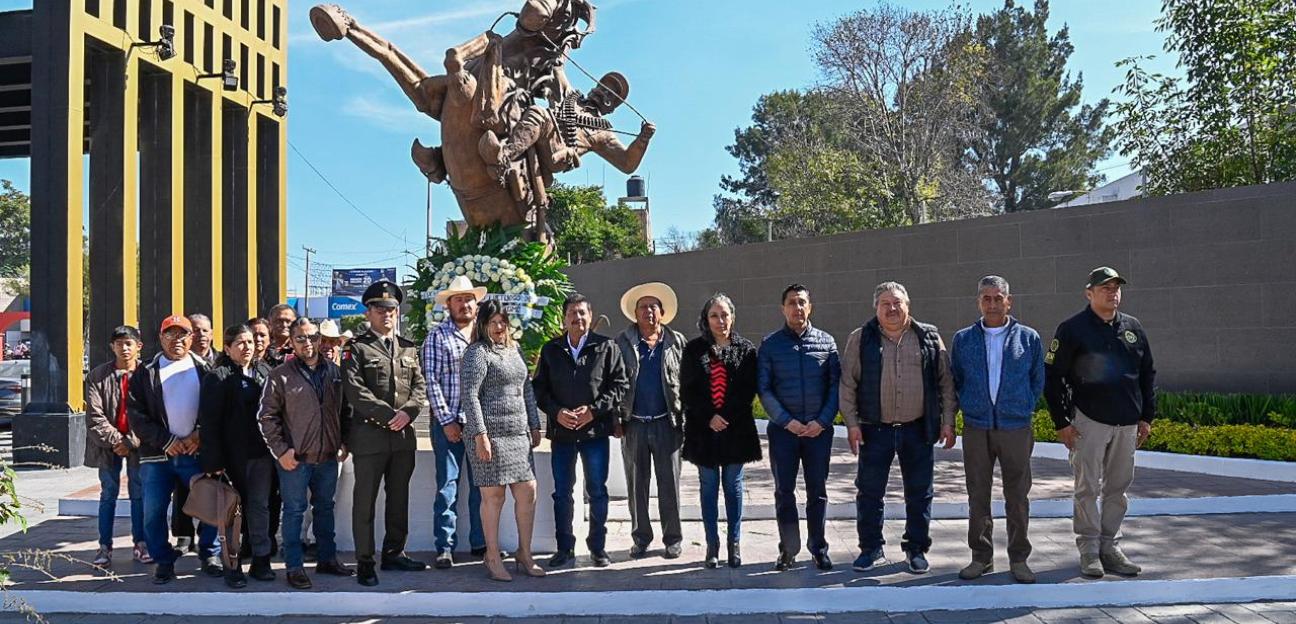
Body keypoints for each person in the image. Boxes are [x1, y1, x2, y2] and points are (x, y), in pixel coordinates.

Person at [1045, 267, 1156, 579]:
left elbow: (1147, 374)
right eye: (1104, 287)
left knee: (1118, 489)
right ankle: (1089, 549)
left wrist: (1147, 416)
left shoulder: (1133, 327)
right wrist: (1062, 422)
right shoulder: (1072, 329)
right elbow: (1052, 377)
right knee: (1087, 488)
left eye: (1116, 287)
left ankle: (1110, 546)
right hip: (1089, 423)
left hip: (1127, 424)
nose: (1112, 292)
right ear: (1089, 293)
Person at [841, 281, 957, 575]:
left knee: (920, 493)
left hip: (917, 429)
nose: (892, 309)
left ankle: (916, 549)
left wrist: (947, 421)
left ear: (908, 306)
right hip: (874, 430)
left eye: (897, 303)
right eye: (885, 304)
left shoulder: (928, 337)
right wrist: (852, 425)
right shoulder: (860, 338)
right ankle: (870, 548)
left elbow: (946, 382)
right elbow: (847, 385)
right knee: (869, 492)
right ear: (876, 308)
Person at [950, 276, 1044, 584]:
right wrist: (961, 412)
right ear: (978, 302)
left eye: (998, 298)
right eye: (986, 298)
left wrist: (1023, 405)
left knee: (1017, 496)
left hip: (1015, 427)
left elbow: (1037, 378)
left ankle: (1019, 559)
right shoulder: (963, 339)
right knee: (978, 495)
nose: (992, 303)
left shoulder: (1028, 338)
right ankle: (981, 557)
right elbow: (956, 381)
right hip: (977, 427)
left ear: (1009, 301)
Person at [341, 280, 430, 586]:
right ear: (368, 312)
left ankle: (394, 553)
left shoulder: (408, 347)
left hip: (403, 438)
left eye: (391, 308)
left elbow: (420, 388)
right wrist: (390, 415)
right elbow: (355, 392)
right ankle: (365, 560)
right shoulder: (356, 348)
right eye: (380, 309)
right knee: (364, 501)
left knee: (398, 498)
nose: (387, 313)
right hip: (370, 438)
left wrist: (408, 413)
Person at [532, 294, 628, 568]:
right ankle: (565, 548)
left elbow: (619, 384)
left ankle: (598, 548)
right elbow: (539, 389)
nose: (578, 318)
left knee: (597, 490)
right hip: (562, 435)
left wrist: (594, 411)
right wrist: (557, 412)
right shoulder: (551, 350)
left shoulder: (606, 347)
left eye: (583, 313)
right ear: (564, 319)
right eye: (572, 313)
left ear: (590, 315)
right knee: (562, 492)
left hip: (594, 433)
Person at [259, 317, 356, 590]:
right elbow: (266, 417)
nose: (308, 343)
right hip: (295, 460)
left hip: (327, 457)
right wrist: (281, 451)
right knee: (293, 511)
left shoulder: (335, 372)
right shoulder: (280, 375)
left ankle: (327, 559)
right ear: (291, 342)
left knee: (325, 509)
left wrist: (343, 441)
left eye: (312, 337)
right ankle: (294, 566)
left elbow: (346, 411)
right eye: (300, 338)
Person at [126, 315, 220, 584]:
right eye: (171, 334)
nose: (177, 340)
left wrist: (200, 433)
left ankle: (209, 554)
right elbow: (136, 414)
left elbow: (216, 409)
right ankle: (164, 560)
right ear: (160, 337)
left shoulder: (206, 368)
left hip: (195, 453)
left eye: (183, 335)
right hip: (158, 456)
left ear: (192, 338)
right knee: (153, 511)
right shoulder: (145, 372)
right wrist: (166, 440)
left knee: (209, 504)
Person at [460, 300, 546, 582]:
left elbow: (527, 389)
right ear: (482, 325)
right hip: (490, 436)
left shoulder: (514, 349)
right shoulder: (476, 353)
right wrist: (480, 435)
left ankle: (525, 552)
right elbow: (470, 396)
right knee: (493, 497)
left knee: (528, 491)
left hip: (518, 435)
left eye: (502, 321)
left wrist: (535, 424)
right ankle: (493, 555)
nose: (499, 327)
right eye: (492, 322)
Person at [757, 284, 841, 571]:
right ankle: (788, 549)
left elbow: (835, 387)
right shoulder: (770, 345)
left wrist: (822, 421)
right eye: (792, 303)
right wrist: (787, 421)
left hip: (818, 432)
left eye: (802, 302)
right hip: (784, 433)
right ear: (783, 308)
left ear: (810, 307)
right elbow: (764, 390)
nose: (797, 308)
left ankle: (818, 547)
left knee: (817, 491)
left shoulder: (827, 343)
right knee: (785, 491)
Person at [679, 294, 761, 569]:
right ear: (706, 319)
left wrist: (724, 416)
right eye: (715, 315)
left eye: (725, 314)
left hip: (736, 430)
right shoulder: (693, 350)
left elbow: (747, 390)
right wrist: (709, 417)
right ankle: (712, 545)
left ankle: (733, 544)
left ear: (733, 317)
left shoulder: (746, 349)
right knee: (709, 486)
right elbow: (688, 390)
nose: (720, 320)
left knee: (733, 486)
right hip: (704, 430)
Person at [198, 324, 275, 588]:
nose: (247, 348)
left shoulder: (265, 371)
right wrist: (213, 462)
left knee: (260, 508)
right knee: (231, 513)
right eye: (240, 343)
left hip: (262, 456)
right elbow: (208, 423)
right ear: (228, 348)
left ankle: (261, 560)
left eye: (251, 342)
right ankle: (233, 565)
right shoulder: (217, 377)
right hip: (230, 459)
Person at [614, 282, 686, 560]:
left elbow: (687, 383)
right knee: (636, 485)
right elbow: (613, 382)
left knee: (669, 484)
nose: (648, 312)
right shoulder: (622, 342)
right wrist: (616, 419)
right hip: (633, 424)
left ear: (663, 312)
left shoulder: (677, 342)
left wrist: (685, 419)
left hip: (667, 423)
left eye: (653, 307)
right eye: (643, 307)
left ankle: (673, 539)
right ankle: (641, 538)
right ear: (635, 313)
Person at [421, 276, 489, 568]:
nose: (464, 304)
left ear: (477, 304)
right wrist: (447, 420)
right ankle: (445, 546)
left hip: (480, 426)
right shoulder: (437, 337)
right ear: (448, 304)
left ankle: (480, 543)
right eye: (458, 299)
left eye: (468, 299)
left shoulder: (485, 337)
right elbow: (431, 382)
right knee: (447, 486)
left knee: (481, 487)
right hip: (448, 423)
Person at [84, 325, 148, 567]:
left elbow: (152, 412)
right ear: (112, 347)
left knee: (139, 494)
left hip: (139, 445)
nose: (124, 347)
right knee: (108, 494)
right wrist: (117, 441)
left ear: (138, 346)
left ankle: (141, 543)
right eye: (119, 343)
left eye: (129, 343)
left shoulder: (147, 374)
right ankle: (104, 546)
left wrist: (131, 440)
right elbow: (94, 415)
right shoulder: (97, 376)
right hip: (107, 446)